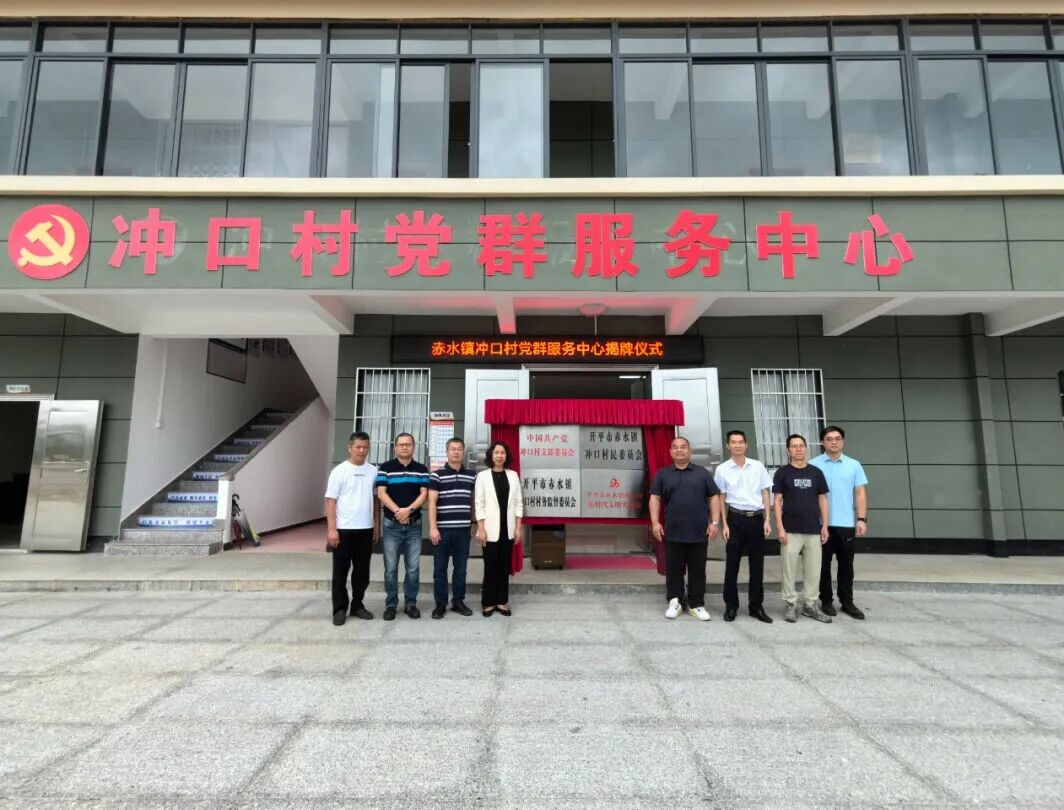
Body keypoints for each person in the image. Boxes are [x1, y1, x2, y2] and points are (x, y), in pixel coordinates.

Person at [649, 436, 722, 621]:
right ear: (670, 452)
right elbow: (655, 498)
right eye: (675, 447)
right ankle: (675, 601)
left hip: (699, 531)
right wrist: (655, 522)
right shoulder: (663, 474)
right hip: (673, 531)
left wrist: (714, 522)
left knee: (698, 569)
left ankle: (696, 604)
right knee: (674, 569)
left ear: (690, 451)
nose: (679, 450)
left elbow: (714, 496)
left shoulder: (702, 473)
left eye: (683, 447)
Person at [714, 430, 774, 624]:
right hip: (735, 519)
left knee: (757, 566)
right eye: (733, 442)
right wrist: (724, 524)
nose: (737, 445)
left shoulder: (757, 466)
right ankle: (731, 606)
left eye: (741, 442)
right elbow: (721, 497)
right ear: (728, 445)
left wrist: (767, 519)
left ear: (746, 445)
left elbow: (765, 492)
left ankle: (756, 606)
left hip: (756, 519)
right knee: (732, 565)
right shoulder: (722, 469)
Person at [811, 425, 870, 620]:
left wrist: (861, 519)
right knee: (823, 565)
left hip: (846, 523)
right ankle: (826, 601)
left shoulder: (854, 465)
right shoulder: (813, 465)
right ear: (822, 442)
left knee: (846, 565)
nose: (834, 442)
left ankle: (847, 601)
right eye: (829, 439)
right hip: (821, 524)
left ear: (843, 441)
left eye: (837, 438)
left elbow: (860, 493)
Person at [773, 434, 832, 624]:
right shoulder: (782, 473)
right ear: (788, 450)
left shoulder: (816, 472)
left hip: (813, 529)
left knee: (813, 570)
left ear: (806, 448)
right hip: (790, 530)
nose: (798, 449)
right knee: (789, 570)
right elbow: (777, 501)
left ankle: (810, 604)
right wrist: (780, 528)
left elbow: (822, 499)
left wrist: (825, 525)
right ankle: (791, 604)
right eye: (794, 446)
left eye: (801, 446)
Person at [325, 431, 380, 626]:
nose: (362, 451)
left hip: (366, 529)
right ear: (349, 447)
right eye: (358, 447)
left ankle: (357, 605)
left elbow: (376, 500)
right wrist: (332, 530)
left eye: (365, 447)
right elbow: (330, 501)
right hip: (343, 530)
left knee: (362, 572)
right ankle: (339, 608)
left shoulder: (373, 471)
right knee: (340, 572)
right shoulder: (339, 471)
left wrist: (377, 525)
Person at [375, 433, 430, 620]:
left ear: (414, 447)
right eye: (401, 444)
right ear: (395, 447)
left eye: (408, 444)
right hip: (391, 526)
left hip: (414, 527)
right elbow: (381, 493)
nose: (404, 447)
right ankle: (391, 604)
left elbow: (424, 494)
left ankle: (410, 604)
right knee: (390, 569)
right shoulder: (386, 468)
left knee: (413, 569)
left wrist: (409, 510)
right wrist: (399, 512)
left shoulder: (421, 469)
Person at [428, 437, 476, 619]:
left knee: (460, 569)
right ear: (447, 452)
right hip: (442, 530)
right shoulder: (437, 475)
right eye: (453, 449)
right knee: (439, 569)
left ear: (463, 452)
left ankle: (458, 601)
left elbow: (473, 501)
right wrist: (433, 528)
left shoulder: (471, 475)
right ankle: (440, 604)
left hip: (463, 530)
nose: (456, 452)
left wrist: (473, 523)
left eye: (459, 449)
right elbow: (431, 502)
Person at [473, 441, 523, 617]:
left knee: (504, 566)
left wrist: (518, 527)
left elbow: (518, 502)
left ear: (506, 456)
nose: (499, 456)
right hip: (489, 530)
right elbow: (479, 504)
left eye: (502, 453)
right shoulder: (482, 477)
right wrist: (481, 529)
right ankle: (488, 602)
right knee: (490, 566)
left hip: (508, 529)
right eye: (496, 453)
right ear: (491, 455)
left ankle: (502, 601)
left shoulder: (513, 475)